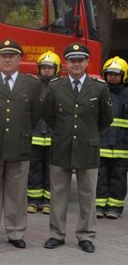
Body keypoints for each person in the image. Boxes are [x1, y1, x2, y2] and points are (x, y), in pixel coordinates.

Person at [0, 39, 42, 249]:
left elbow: (35, 114)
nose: (7, 59)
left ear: (20, 59)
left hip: (19, 146)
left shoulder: (31, 84)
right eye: (4, 56)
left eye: (12, 56)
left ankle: (15, 232)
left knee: (17, 193)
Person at [43, 43, 112, 253]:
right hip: (61, 147)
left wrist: (87, 134)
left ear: (86, 62)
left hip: (87, 148)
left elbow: (105, 119)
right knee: (58, 194)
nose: (76, 64)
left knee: (88, 195)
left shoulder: (99, 87)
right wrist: (63, 133)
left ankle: (86, 235)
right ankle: (56, 234)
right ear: (66, 63)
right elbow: (49, 116)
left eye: (80, 60)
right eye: (72, 60)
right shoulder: (55, 87)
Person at [27, 51, 60, 214]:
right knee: (34, 169)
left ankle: (48, 201)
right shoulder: (33, 86)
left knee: (51, 171)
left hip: (54, 138)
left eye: (50, 67)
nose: (46, 70)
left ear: (56, 69)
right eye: (44, 67)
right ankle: (33, 200)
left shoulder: (61, 86)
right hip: (35, 137)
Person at [96, 56, 128, 219]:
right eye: (110, 74)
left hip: (122, 146)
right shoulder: (100, 92)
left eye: (117, 74)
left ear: (124, 76)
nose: (113, 77)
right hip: (101, 144)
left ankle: (115, 208)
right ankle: (99, 206)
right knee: (100, 176)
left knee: (119, 177)